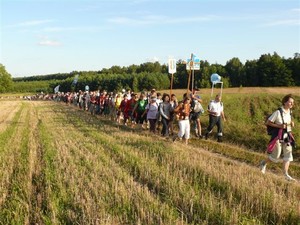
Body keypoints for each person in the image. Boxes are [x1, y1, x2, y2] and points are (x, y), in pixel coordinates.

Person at [260, 94, 296, 181]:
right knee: (276, 155)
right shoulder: (278, 112)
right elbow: (268, 123)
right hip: (277, 135)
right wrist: (279, 126)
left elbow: (288, 121)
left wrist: (291, 123)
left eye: (292, 103)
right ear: (284, 102)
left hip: (287, 135)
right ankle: (263, 163)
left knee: (288, 154)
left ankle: (286, 175)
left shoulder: (290, 112)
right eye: (290, 102)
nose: (291, 104)